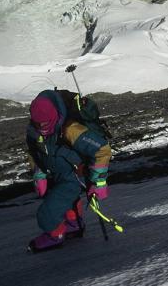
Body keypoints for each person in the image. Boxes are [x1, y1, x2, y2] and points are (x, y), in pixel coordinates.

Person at [26, 89, 111, 251]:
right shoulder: (34, 129)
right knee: (67, 202)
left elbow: (102, 149)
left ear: (55, 116)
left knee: (47, 212)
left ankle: (54, 235)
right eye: (39, 125)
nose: (42, 129)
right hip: (57, 173)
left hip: (73, 177)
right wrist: (39, 174)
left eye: (46, 124)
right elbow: (33, 152)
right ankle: (74, 225)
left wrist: (99, 181)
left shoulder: (71, 129)